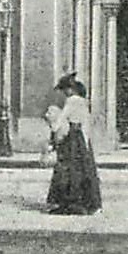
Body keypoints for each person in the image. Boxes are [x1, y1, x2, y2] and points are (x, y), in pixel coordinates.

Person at [45, 73, 102, 215]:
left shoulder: (72, 101)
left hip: (72, 138)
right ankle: (85, 203)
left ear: (70, 89)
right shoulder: (83, 101)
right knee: (83, 169)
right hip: (81, 138)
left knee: (68, 170)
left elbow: (61, 119)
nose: (64, 93)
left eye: (65, 90)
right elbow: (86, 122)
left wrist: (53, 131)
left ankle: (69, 203)